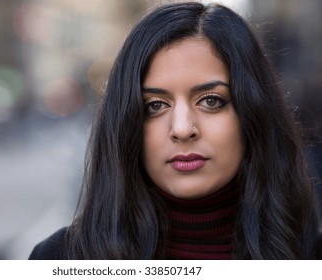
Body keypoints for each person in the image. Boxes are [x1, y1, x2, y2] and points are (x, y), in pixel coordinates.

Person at [29, 2, 321, 259]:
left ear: (252, 114)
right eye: (155, 105)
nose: (182, 129)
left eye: (211, 101)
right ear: (127, 123)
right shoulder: (61, 259)